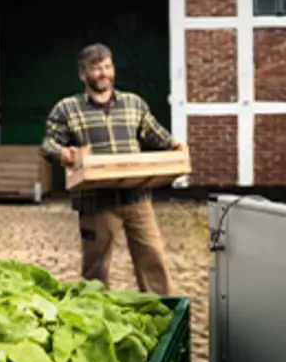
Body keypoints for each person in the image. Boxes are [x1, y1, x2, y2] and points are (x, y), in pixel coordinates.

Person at [39, 43, 184, 296]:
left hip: (136, 197)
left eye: (107, 66)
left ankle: (164, 309)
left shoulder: (133, 104)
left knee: (153, 257)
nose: (103, 73)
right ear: (83, 74)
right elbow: (48, 144)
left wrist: (177, 146)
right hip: (95, 200)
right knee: (96, 269)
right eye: (96, 68)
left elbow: (157, 136)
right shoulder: (67, 108)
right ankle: (96, 316)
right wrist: (62, 153)